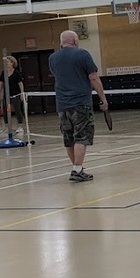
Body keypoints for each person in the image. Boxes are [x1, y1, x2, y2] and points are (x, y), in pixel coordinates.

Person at [48, 30, 107, 182]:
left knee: (69, 138)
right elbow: (93, 78)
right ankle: (77, 170)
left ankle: (77, 168)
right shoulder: (83, 55)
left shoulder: (53, 58)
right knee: (81, 137)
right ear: (75, 40)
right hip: (80, 104)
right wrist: (103, 99)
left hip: (62, 105)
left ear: (62, 42)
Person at [0, 56, 26, 135]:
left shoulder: (16, 73)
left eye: (8, 62)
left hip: (16, 94)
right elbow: (1, 84)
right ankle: (6, 127)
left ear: (12, 63)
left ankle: (20, 126)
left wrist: (22, 93)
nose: (6, 64)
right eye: (5, 62)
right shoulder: (4, 73)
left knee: (17, 110)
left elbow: (20, 84)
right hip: (7, 95)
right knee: (5, 111)